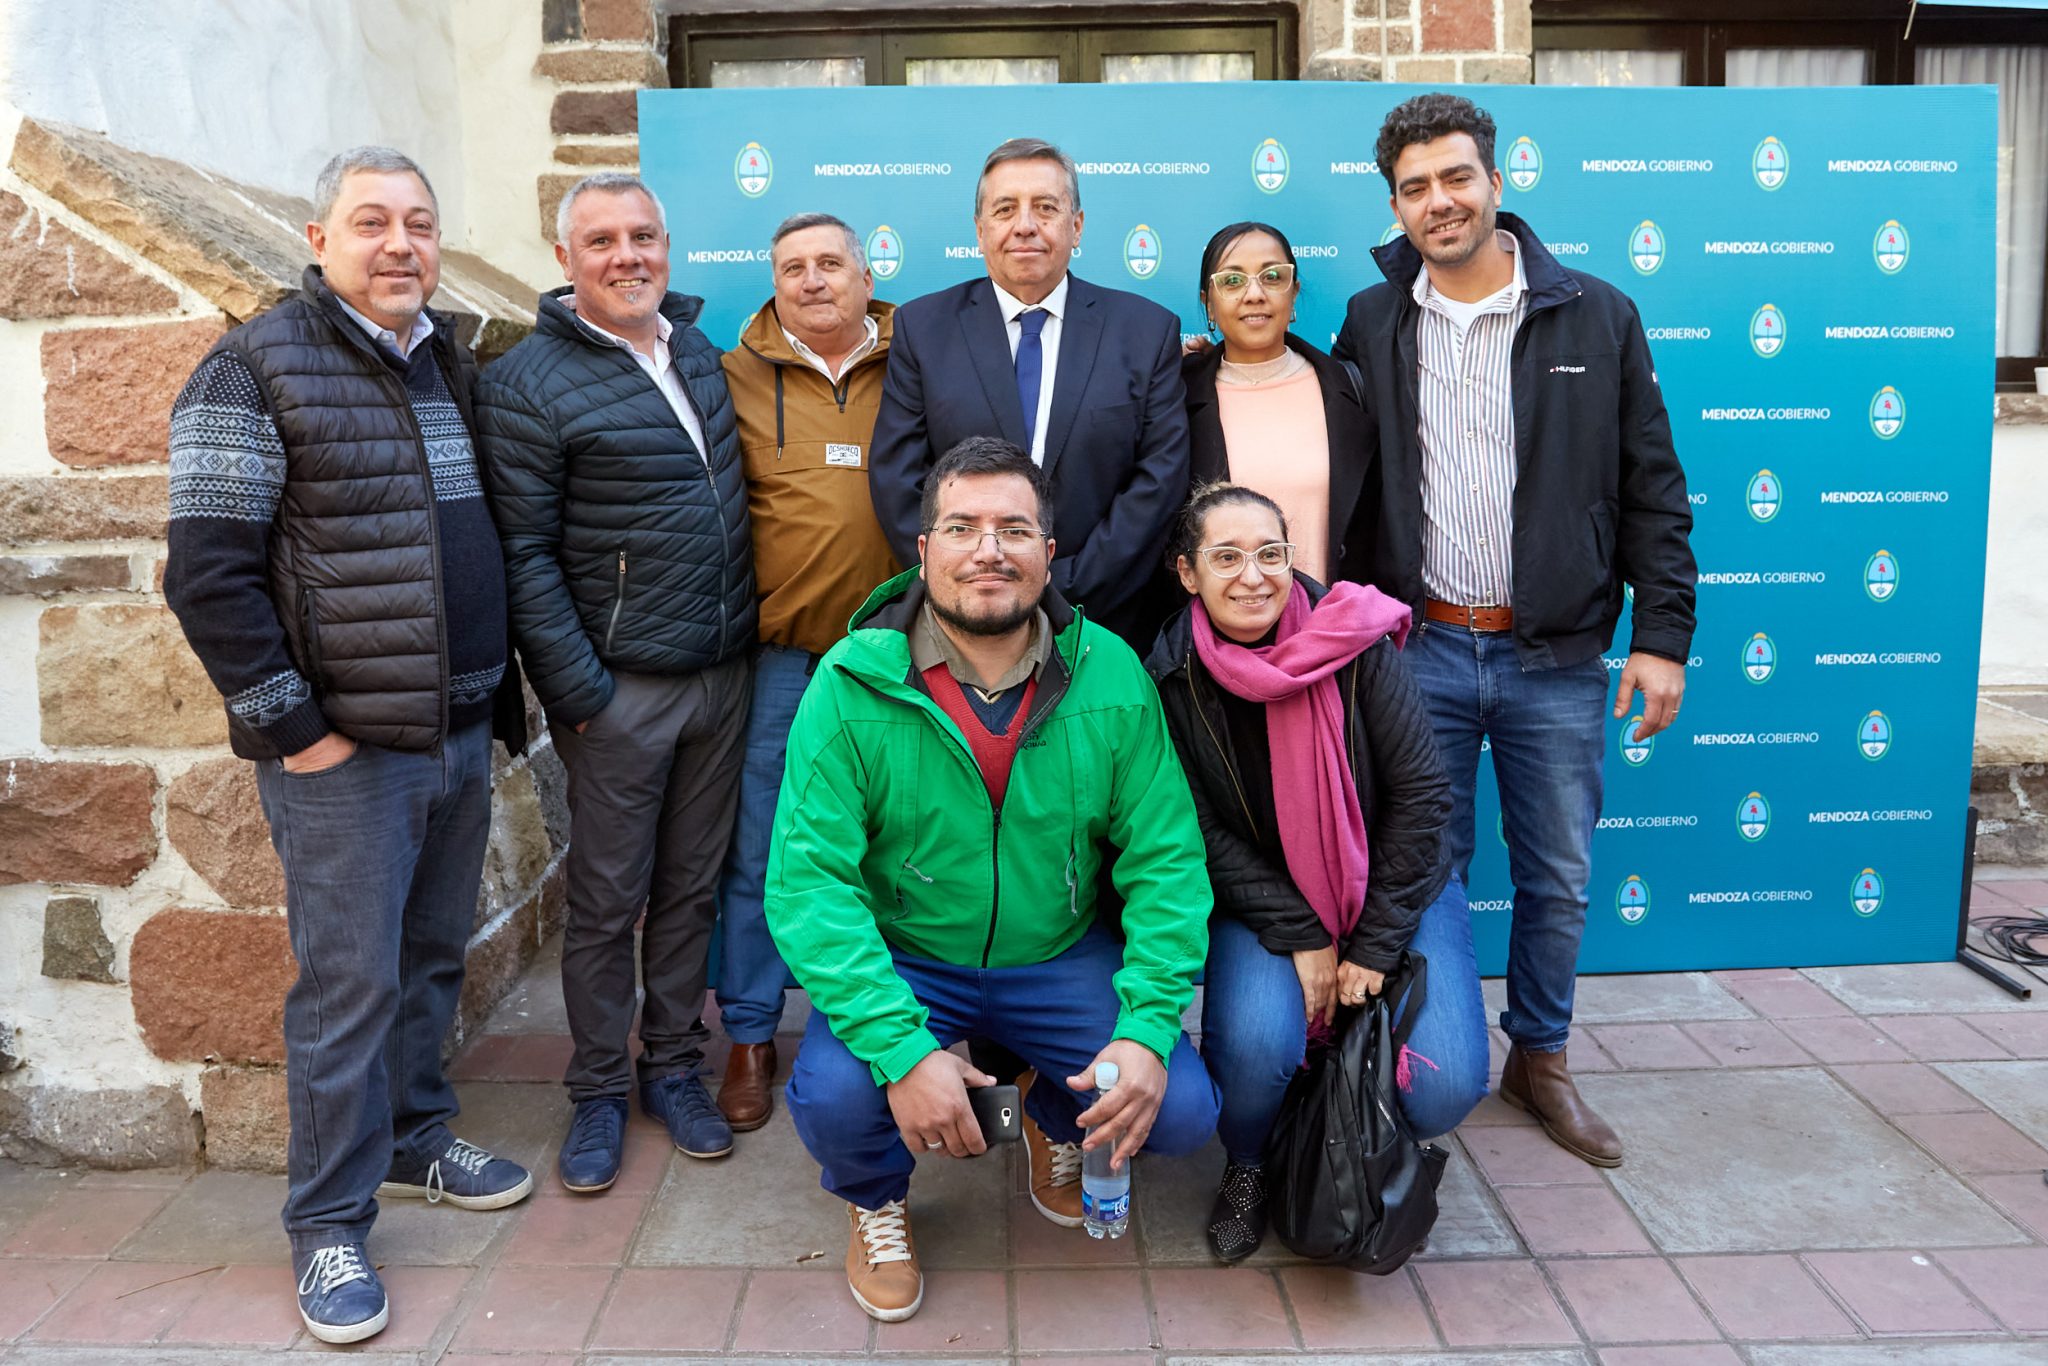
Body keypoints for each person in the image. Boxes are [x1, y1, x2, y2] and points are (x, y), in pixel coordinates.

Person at [164, 146, 532, 1344]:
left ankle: (416, 1138)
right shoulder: (251, 368)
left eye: (418, 222)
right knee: (347, 987)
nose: (400, 243)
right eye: (370, 221)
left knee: (428, 959)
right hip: (347, 755)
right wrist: (298, 734)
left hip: (454, 732)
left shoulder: (446, 362)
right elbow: (207, 576)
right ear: (317, 240)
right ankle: (326, 1223)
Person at [766, 436, 1221, 1323]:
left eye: (1013, 529)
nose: (988, 549)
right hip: (912, 958)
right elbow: (808, 887)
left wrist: (1146, 1027)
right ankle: (875, 1198)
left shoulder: (1110, 674)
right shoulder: (849, 685)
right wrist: (902, 1052)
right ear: (923, 549)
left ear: (1047, 553)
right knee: (837, 1098)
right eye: (962, 527)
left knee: (1179, 1111)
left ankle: (1050, 1116)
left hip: (1056, 954)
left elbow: (1168, 863)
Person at [1332, 93, 1696, 1168]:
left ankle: (1540, 1057)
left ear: (1496, 180)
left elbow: (1653, 489)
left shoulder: (1596, 314)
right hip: (1419, 652)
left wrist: (1662, 637)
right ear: (1394, 205)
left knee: (1557, 873)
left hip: (1557, 656)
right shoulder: (1371, 319)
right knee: (1420, 868)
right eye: (1413, 188)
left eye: (1455, 178)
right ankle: (1417, 1059)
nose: (1437, 202)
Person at [477, 172, 755, 1194]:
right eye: (602, 241)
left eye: (643, 236)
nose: (627, 256)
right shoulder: (526, 382)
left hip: (721, 677)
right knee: (605, 901)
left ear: (667, 246)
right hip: (620, 692)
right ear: (566, 259)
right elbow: (524, 555)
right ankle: (596, 1087)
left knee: (689, 889)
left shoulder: (699, 353)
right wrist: (580, 695)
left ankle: (671, 1067)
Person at [1146, 482, 1488, 1262]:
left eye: (1270, 553)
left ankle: (1361, 1138)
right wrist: (1302, 930)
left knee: (1446, 1084)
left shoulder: (1354, 639)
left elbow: (1422, 797)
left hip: (1398, 886)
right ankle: (1251, 1162)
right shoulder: (1170, 678)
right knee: (1256, 1048)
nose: (1253, 576)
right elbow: (1194, 830)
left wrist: (1374, 945)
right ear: (1187, 572)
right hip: (1264, 897)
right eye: (1226, 557)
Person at [713, 212, 900, 1130]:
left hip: (899, 656)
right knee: (765, 847)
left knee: (898, 848)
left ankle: (884, 1027)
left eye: (831, 263)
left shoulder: (922, 359)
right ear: (775, 282)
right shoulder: (730, 375)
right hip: (784, 659)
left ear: (867, 275)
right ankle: (750, 1032)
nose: (814, 280)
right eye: (794, 268)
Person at [869, 137, 1191, 646]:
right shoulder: (923, 329)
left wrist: (1062, 585)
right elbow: (899, 481)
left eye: (1045, 207)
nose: (1025, 225)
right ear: (980, 230)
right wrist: (973, 582)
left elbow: (1159, 480)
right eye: (1005, 209)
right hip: (963, 622)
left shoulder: (1145, 331)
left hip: (1105, 623)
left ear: (1076, 226)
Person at [1184, 222, 1375, 586]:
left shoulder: (1349, 389)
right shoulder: (1176, 397)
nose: (1255, 294)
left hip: (1333, 615)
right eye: (1232, 281)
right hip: (1229, 617)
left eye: (1272, 277)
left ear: (1294, 293)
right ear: (1209, 303)